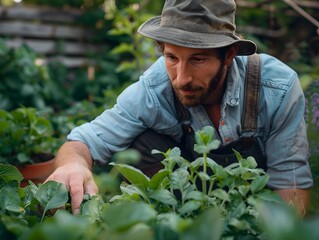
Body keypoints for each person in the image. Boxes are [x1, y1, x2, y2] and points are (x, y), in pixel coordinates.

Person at [46, 0, 313, 215]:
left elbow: (290, 185)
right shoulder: (155, 87)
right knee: (144, 143)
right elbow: (84, 142)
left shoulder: (275, 87)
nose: (181, 78)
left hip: (251, 212)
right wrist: (73, 164)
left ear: (229, 54)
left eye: (197, 59)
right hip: (181, 211)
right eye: (172, 57)